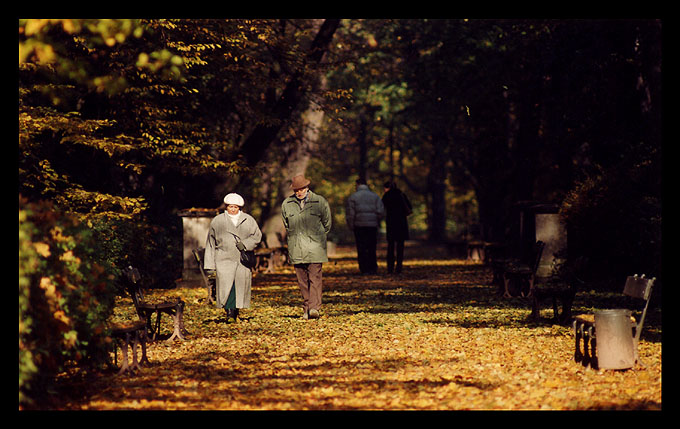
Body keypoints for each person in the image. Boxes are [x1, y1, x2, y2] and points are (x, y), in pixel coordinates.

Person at [204, 193, 262, 323]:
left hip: (242, 260)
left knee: (239, 286)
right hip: (223, 259)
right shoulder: (218, 221)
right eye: (230, 206)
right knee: (226, 286)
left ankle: (235, 311)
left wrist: (246, 244)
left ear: (240, 208)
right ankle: (229, 312)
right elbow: (210, 243)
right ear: (226, 207)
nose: (233, 209)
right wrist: (210, 265)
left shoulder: (248, 220)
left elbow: (257, 236)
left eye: (236, 207)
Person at [281, 175, 332, 320]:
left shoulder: (320, 201)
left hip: (315, 247)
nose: (299, 192)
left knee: (315, 278)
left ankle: (314, 308)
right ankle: (307, 307)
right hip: (296, 247)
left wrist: (318, 237)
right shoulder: (287, 204)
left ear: (307, 187)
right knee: (302, 280)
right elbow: (287, 224)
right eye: (296, 190)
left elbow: (327, 224)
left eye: (301, 189)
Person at [346, 179, 385, 274]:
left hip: (359, 226)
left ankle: (364, 269)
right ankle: (373, 268)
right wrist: (377, 221)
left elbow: (351, 213)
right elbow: (380, 211)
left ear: (357, 185)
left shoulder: (353, 197)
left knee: (361, 248)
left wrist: (351, 225)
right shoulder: (375, 196)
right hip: (372, 226)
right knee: (372, 247)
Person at [382, 181, 411, 274]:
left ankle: (390, 267)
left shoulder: (386, 196)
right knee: (400, 246)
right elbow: (410, 208)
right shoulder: (402, 195)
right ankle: (399, 267)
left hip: (391, 223)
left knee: (390, 246)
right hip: (401, 223)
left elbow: (381, 208)